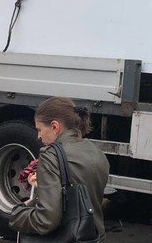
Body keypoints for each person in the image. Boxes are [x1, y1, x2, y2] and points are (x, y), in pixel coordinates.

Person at [9, 96, 110, 241]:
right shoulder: (96, 152)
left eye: (39, 129)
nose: (38, 136)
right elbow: (81, 192)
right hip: (93, 237)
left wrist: (18, 213)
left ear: (55, 127)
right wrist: (42, 185)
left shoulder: (51, 155)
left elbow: (46, 220)